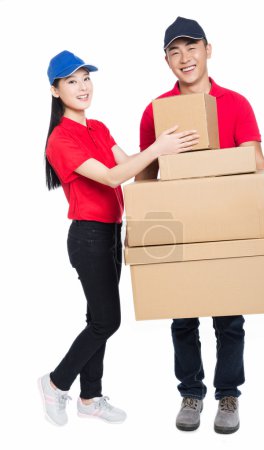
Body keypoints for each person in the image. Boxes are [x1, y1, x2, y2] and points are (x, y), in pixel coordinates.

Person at [136, 16, 264, 434]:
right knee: (181, 315)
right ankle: (191, 392)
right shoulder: (157, 111)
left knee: (229, 315)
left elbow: (256, 163)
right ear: (166, 59)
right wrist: (142, 230)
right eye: (175, 51)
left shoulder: (235, 103)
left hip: (229, 219)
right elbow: (147, 177)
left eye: (191, 48)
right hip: (178, 222)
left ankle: (228, 395)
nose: (185, 58)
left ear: (208, 50)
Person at [39, 50, 199, 426]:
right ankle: (55, 383)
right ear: (55, 90)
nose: (82, 87)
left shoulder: (99, 128)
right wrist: (157, 148)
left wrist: (168, 157)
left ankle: (90, 398)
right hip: (88, 237)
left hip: (113, 232)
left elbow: (129, 166)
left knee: (98, 317)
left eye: (85, 78)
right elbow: (111, 177)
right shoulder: (61, 140)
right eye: (72, 81)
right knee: (106, 321)